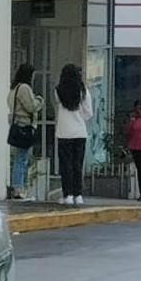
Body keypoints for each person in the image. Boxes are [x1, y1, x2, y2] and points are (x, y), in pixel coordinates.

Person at [54, 64, 92, 206]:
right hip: (79, 132)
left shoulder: (58, 91)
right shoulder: (83, 92)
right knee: (78, 164)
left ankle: (67, 195)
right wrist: (80, 115)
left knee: (66, 165)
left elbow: (57, 106)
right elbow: (89, 113)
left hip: (63, 132)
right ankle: (78, 195)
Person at [7, 63, 43, 201]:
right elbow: (31, 106)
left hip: (17, 125)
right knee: (22, 158)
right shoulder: (24, 88)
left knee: (20, 158)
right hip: (24, 126)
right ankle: (19, 188)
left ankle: (19, 187)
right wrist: (40, 100)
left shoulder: (14, 88)